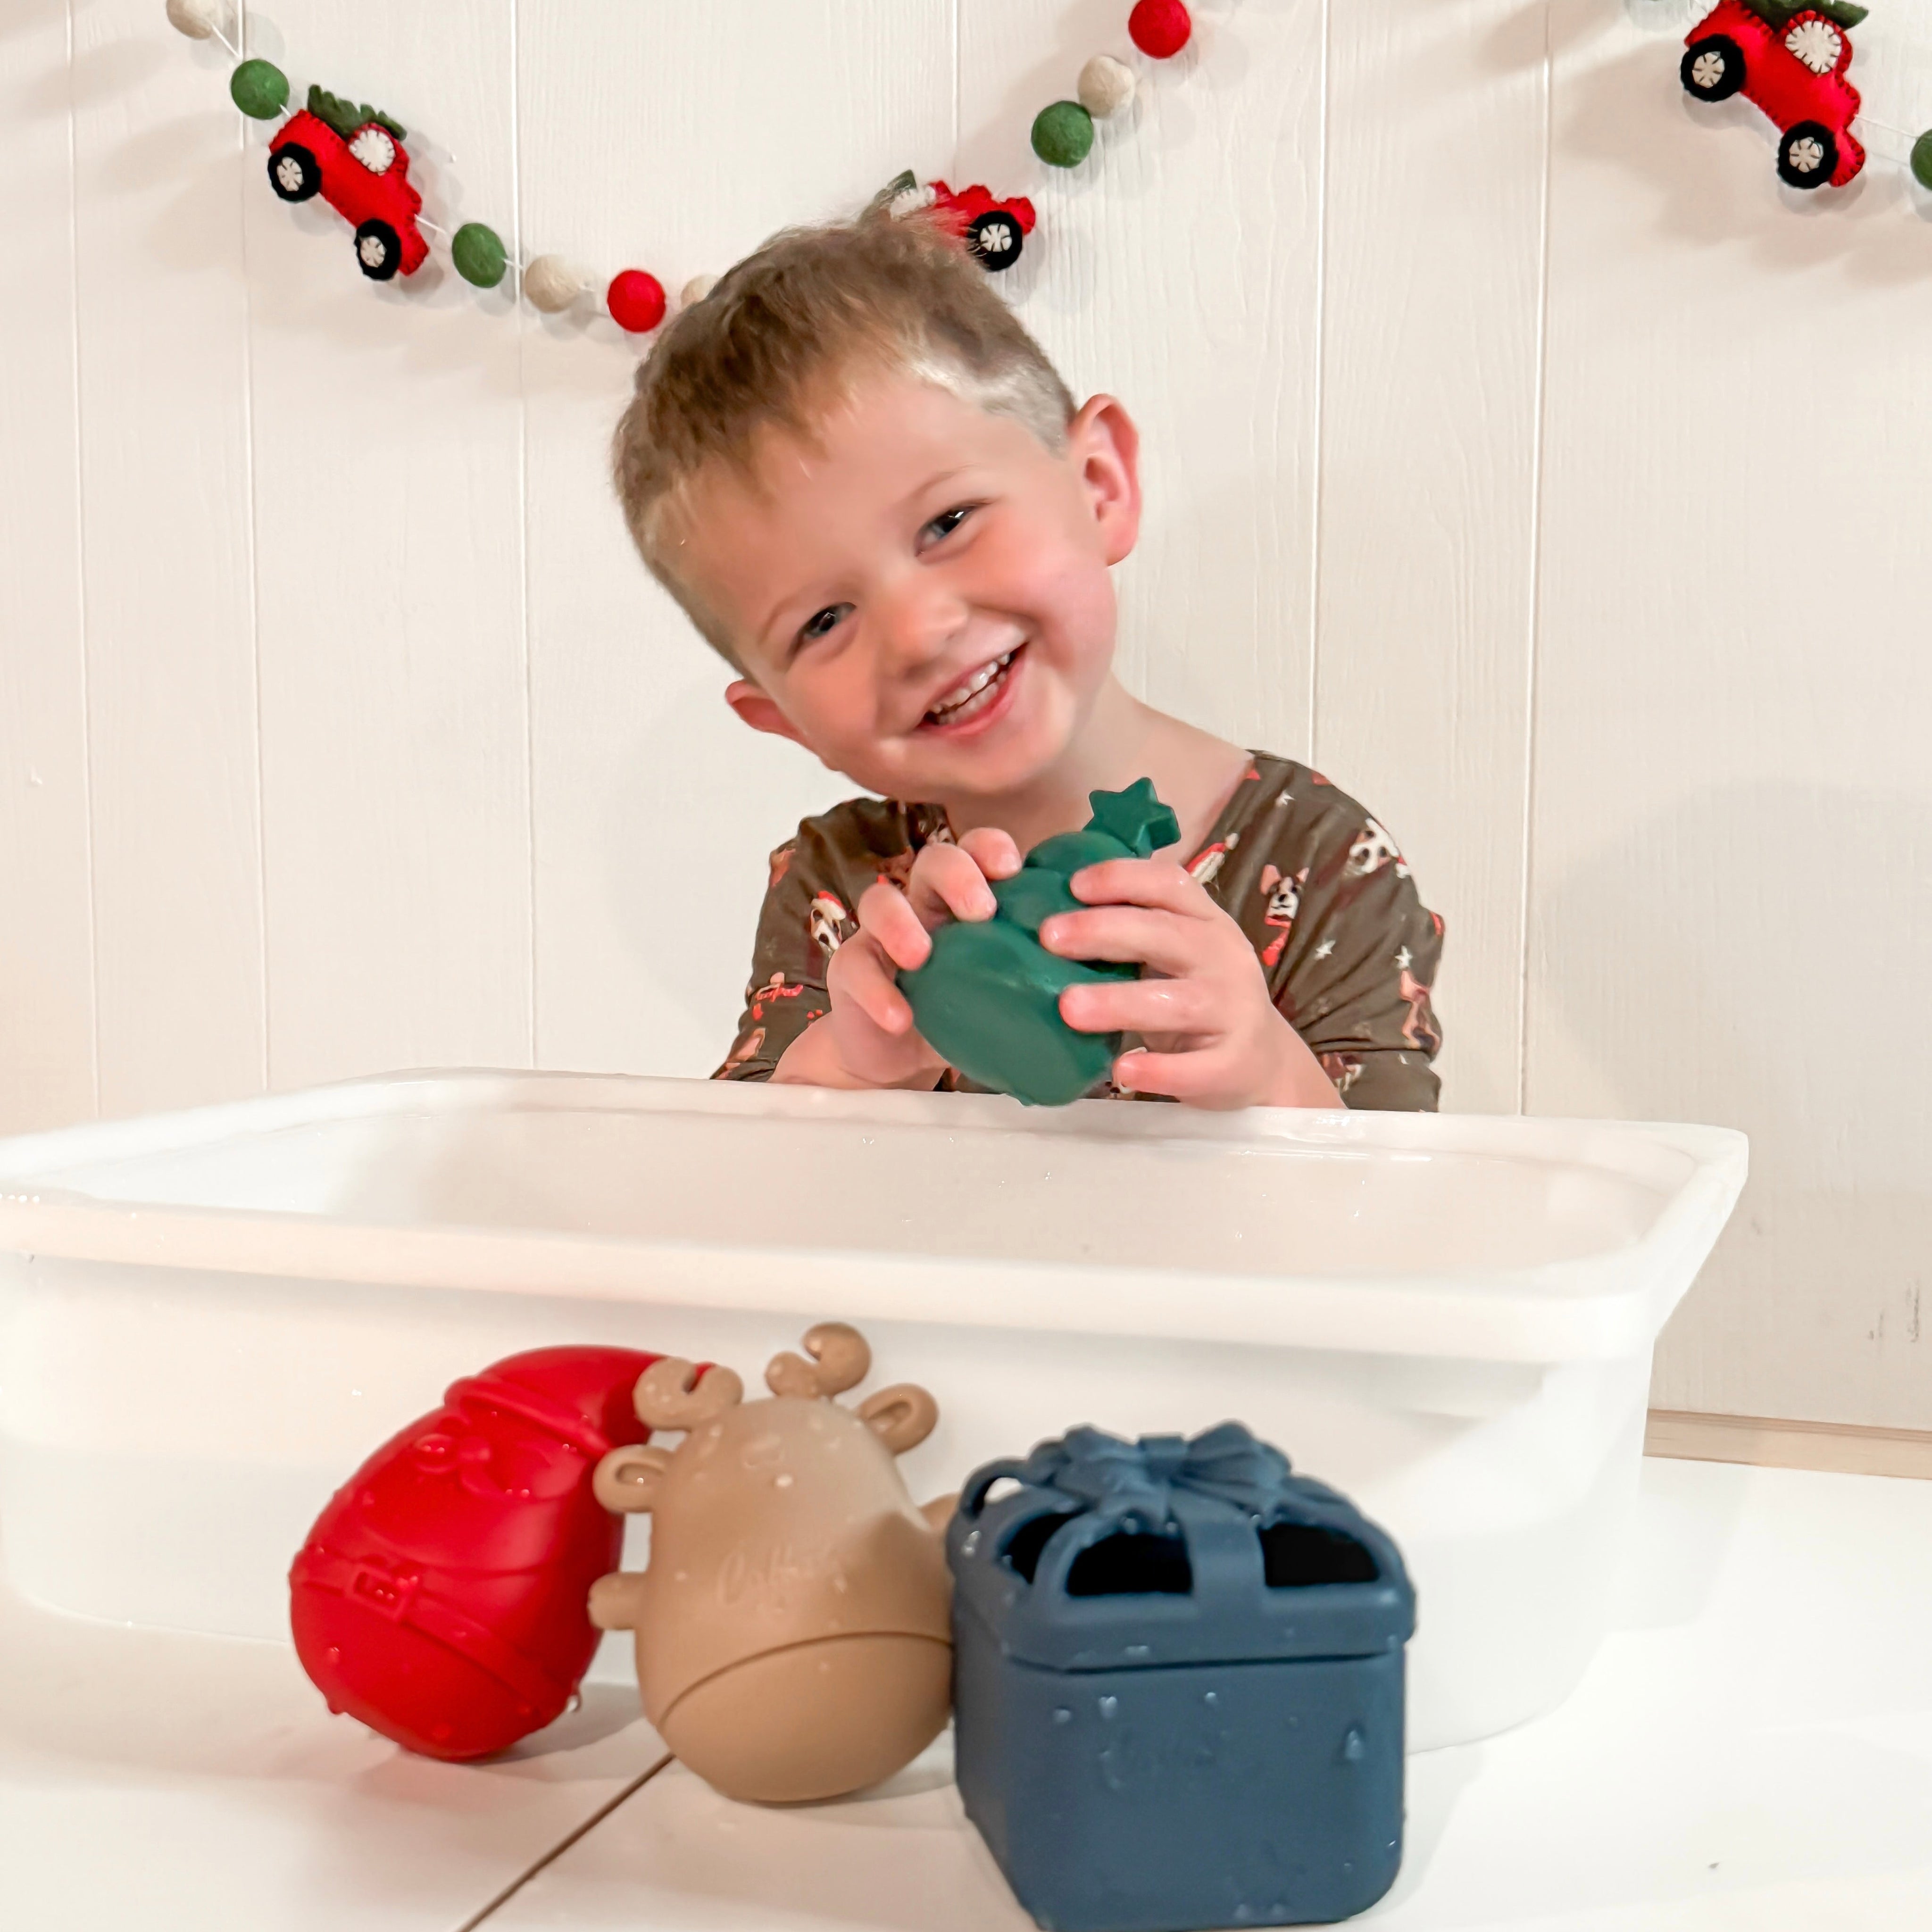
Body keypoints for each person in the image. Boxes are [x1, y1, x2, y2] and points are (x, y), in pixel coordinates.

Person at [611, 210, 1443, 1110]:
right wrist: (850, 1073)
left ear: (1099, 488)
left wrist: (1271, 1078)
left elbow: (1410, 1193)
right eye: (823, 622)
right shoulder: (841, 891)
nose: (919, 631)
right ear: (786, 719)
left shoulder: (1325, 864)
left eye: (948, 523)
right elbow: (735, 1182)